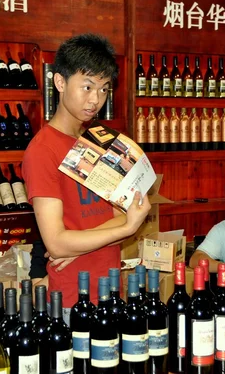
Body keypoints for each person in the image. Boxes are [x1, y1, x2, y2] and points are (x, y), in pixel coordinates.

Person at [22, 34, 151, 324]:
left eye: (104, 89)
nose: (96, 99)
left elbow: (129, 209)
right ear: (60, 82)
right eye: (87, 87)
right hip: (72, 301)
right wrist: (127, 226)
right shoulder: (42, 151)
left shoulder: (97, 141)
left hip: (110, 289)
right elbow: (56, 244)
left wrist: (82, 243)